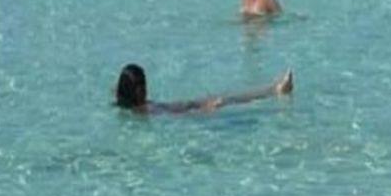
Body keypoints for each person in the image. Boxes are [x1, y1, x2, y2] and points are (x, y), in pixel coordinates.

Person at [115, 63, 293, 114]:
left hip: (185, 106)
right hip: (187, 110)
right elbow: (174, 115)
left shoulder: (128, 104)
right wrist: (203, 111)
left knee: (226, 98)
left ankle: (273, 89)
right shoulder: (145, 110)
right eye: (142, 86)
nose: (145, 90)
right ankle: (274, 90)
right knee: (226, 100)